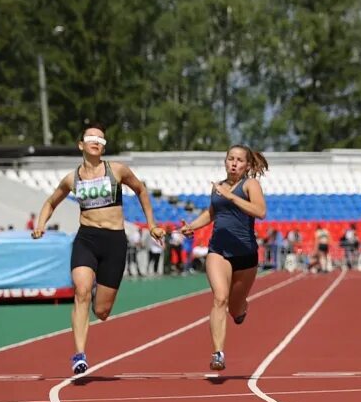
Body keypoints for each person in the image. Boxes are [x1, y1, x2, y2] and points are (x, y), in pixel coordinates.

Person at [31, 123, 166, 374]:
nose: (96, 141)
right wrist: (41, 224)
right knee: (81, 291)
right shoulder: (73, 178)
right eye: (91, 138)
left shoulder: (117, 170)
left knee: (102, 311)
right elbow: (51, 202)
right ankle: (79, 355)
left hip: (114, 241)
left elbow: (141, 190)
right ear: (81, 145)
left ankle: (96, 294)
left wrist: (152, 225)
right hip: (87, 238)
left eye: (101, 139)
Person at [180, 145, 268, 371]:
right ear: (225, 161)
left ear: (247, 165)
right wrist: (192, 226)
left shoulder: (250, 185)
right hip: (218, 251)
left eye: (239, 160)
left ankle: (241, 309)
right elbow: (211, 213)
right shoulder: (217, 188)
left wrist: (232, 197)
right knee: (220, 298)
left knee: (235, 308)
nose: (234, 163)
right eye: (231, 159)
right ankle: (218, 353)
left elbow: (260, 211)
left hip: (245, 254)